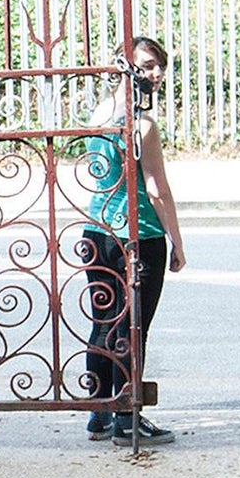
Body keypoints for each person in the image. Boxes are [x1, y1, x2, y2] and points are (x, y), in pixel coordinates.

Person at [81, 35, 188, 446]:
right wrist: (177, 241)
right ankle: (127, 418)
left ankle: (99, 412)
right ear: (123, 67)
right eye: (145, 66)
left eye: (159, 65)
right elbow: (157, 189)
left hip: (97, 229)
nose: (155, 73)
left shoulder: (100, 113)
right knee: (133, 325)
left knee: (104, 321)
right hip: (138, 235)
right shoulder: (142, 126)